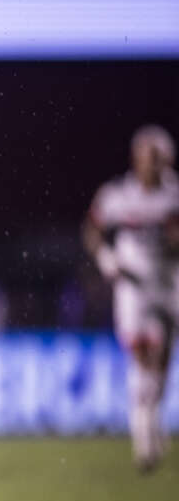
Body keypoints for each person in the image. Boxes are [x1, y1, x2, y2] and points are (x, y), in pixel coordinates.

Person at [83, 124, 179, 473]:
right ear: (137, 160)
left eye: (159, 159)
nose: (153, 165)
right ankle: (143, 437)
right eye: (147, 158)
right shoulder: (118, 195)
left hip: (167, 283)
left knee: (163, 362)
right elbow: (92, 230)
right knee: (142, 357)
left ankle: (152, 418)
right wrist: (107, 260)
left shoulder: (173, 195)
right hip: (133, 288)